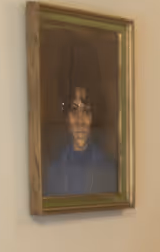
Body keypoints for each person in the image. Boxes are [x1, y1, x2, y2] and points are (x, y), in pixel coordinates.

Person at [43, 42, 120, 197]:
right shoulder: (54, 170)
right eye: (74, 110)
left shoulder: (107, 168)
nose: (80, 121)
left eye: (86, 111)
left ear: (93, 116)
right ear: (66, 117)